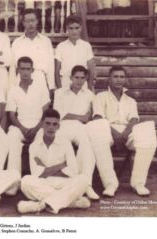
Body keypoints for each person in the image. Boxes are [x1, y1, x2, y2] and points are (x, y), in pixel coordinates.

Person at [87, 66, 157, 197]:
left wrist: (124, 134)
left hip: (126, 132)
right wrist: (115, 134)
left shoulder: (131, 101)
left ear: (125, 79)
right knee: (97, 127)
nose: (119, 80)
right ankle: (110, 184)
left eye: (121, 77)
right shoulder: (100, 97)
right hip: (107, 130)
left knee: (148, 131)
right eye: (115, 76)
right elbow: (98, 117)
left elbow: (133, 120)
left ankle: (138, 183)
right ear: (109, 79)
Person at [17, 109, 90, 214]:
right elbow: (36, 173)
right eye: (48, 123)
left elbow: (73, 171)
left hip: (63, 182)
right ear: (42, 125)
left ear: (58, 126)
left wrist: (45, 170)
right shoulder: (34, 146)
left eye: (54, 124)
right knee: (26, 181)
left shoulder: (66, 143)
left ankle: (39, 205)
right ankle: (73, 203)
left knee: (83, 179)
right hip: (43, 183)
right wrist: (62, 165)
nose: (51, 127)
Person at [54, 65, 99, 200]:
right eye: (76, 77)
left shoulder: (90, 95)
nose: (79, 81)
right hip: (62, 126)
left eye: (82, 78)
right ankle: (71, 183)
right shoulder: (60, 93)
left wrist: (82, 117)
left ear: (86, 79)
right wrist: (81, 116)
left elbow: (90, 116)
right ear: (71, 78)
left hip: (80, 127)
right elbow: (59, 114)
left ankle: (86, 184)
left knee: (87, 145)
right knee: (64, 147)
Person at [6, 57, 50, 177]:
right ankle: (13, 179)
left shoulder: (41, 87)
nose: (25, 72)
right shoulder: (13, 90)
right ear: (18, 70)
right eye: (22, 69)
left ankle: (39, 177)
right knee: (12, 136)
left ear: (32, 70)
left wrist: (36, 128)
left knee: (42, 138)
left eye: (28, 69)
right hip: (20, 126)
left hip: (39, 125)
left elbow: (46, 112)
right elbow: (11, 115)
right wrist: (21, 128)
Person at [11, 8, 55, 95]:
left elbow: (50, 66)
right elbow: (12, 67)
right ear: (23, 23)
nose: (30, 24)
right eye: (27, 21)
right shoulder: (17, 42)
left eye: (32, 20)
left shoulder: (45, 41)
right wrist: (12, 86)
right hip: (21, 80)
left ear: (37, 21)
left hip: (40, 79)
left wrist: (51, 87)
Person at [55, 15, 95, 91]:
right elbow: (56, 72)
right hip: (65, 83)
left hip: (82, 83)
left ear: (81, 28)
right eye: (71, 28)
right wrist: (60, 90)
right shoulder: (61, 46)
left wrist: (89, 89)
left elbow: (91, 70)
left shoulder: (86, 46)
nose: (74, 31)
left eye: (77, 28)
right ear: (67, 28)